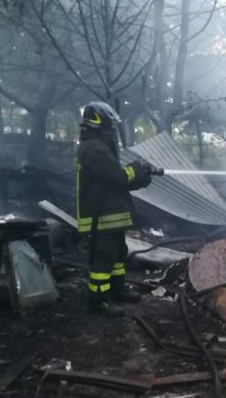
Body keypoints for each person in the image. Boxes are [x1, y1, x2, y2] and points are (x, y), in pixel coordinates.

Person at [75, 101, 152, 317]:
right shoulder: (93, 149)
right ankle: (98, 301)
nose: (113, 130)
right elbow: (117, 177)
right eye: (110, 125)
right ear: (100, 122)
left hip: (111, 214)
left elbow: (116, 182)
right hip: (102, 215)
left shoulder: (100, 147)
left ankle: (116, 291)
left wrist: (142, 179)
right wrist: (137, 167)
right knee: (104, 258)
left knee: (119, 254)